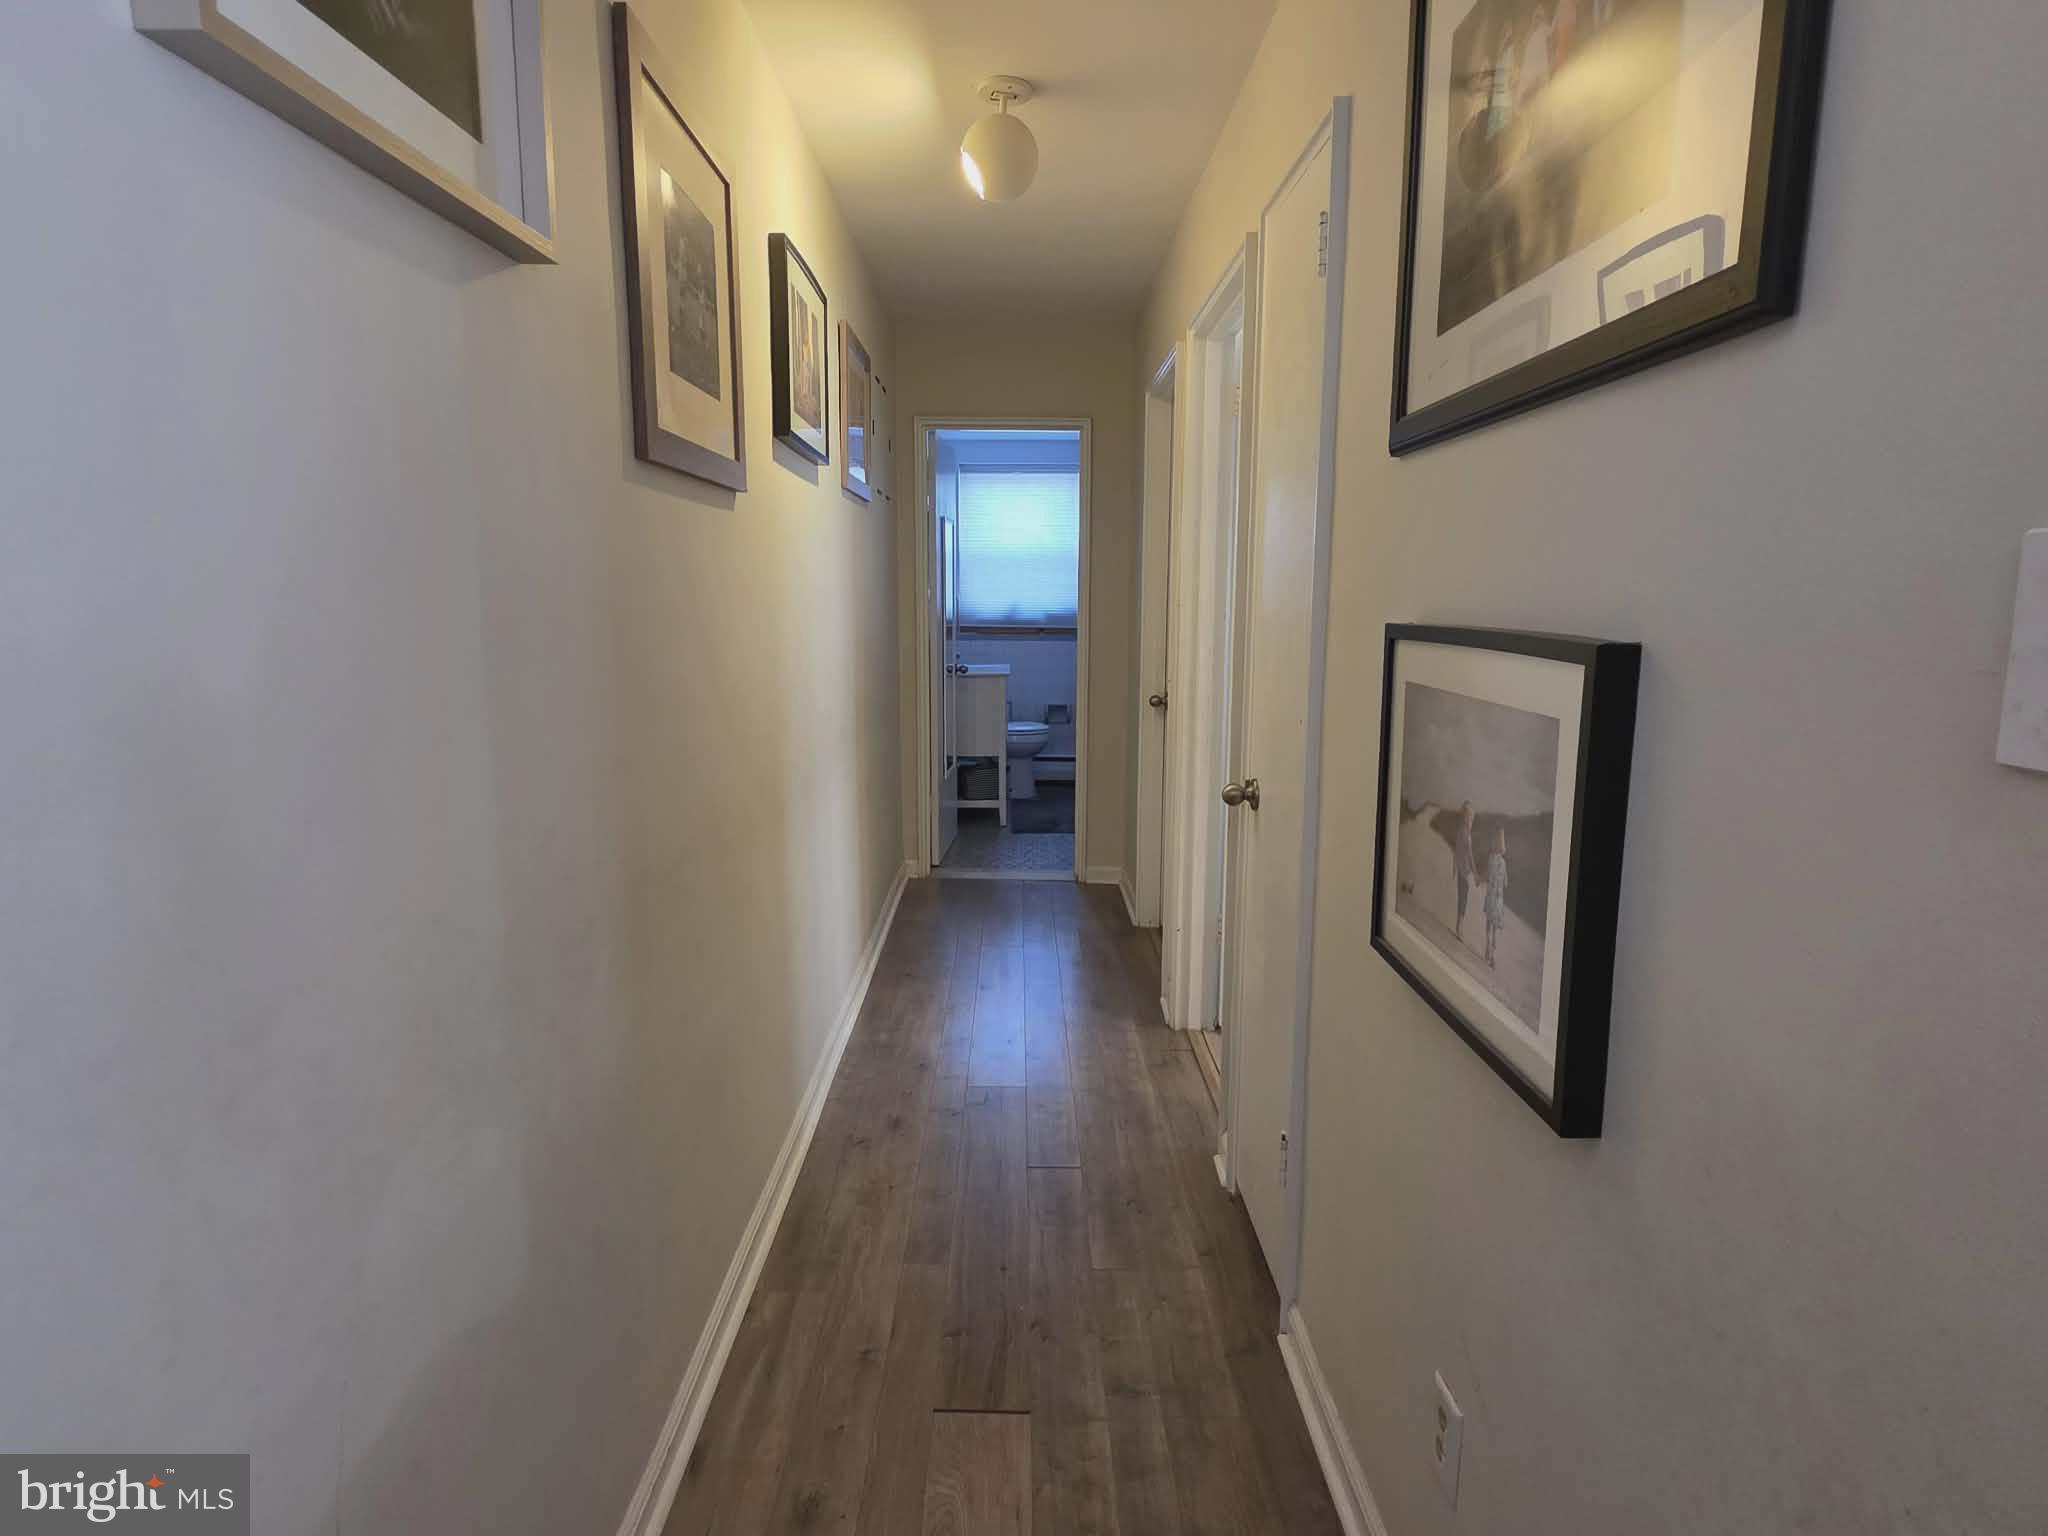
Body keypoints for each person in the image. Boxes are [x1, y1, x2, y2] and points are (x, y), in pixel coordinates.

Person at [1484, 826, 1509, 969]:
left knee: (1488, 923)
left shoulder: (1491, 859)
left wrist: (1480, 879)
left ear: (1494, 842)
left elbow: (1488, 876)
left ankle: (1487, 945)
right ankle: (1493, 954)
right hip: (1499, 900)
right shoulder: (1504, 863)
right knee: (1494, 927)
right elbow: (1506, 882)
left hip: (1491, 896)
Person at [1454, 801, 1477, 941]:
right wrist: (1476, 874)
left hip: (1463, 870)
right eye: (1469, 818)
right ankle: (1459, 927)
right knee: (1463, 898)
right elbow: (1470, 855)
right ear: (1465, 818)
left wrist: (1454, 864)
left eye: (1472, 818)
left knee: (1462, 897)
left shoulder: (1463, 831)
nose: (1471, 821)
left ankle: (1459, 925)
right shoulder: (1465, 834)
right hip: (1464, 871)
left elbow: (1456, 849)